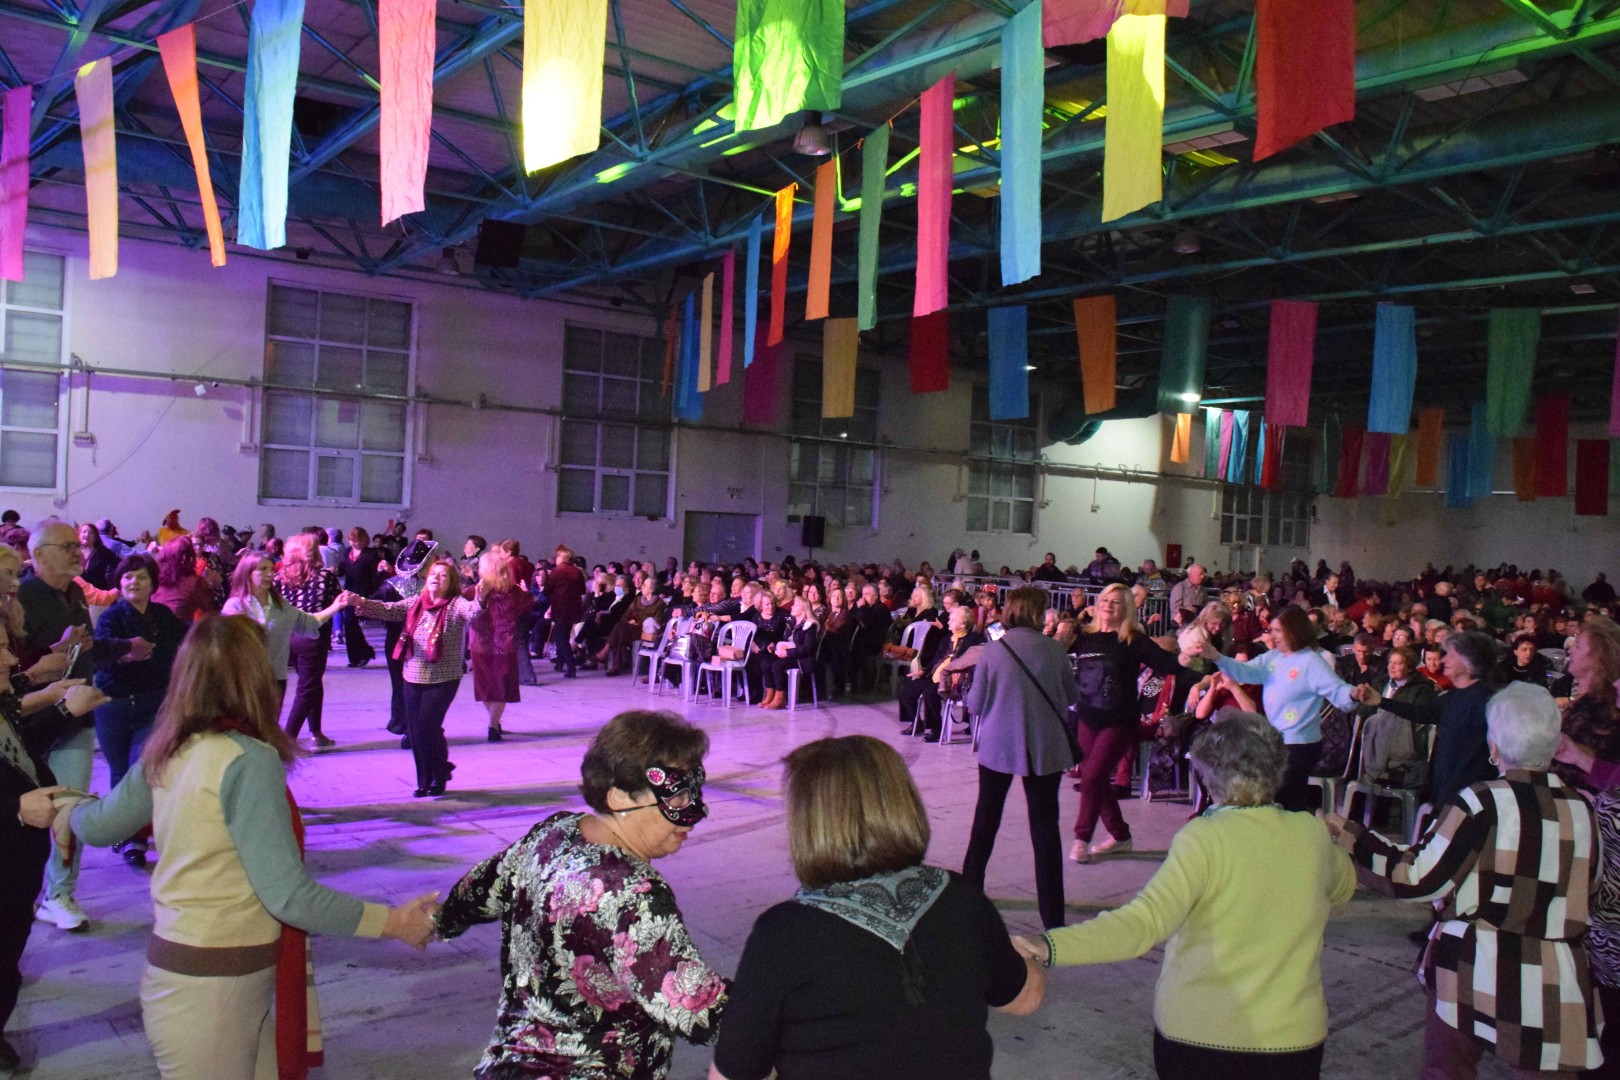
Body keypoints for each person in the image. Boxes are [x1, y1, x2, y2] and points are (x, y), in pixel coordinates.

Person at [64, 615, 436, 1080]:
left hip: (193, 972)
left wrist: (62, 805)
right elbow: (289, 897)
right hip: (217, 983)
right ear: (255, 678)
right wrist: (394, 922)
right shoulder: (247, 760)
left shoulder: (167, 750)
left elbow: (97, 826)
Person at [1016, 713, 1354, 1080]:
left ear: (1209, 776)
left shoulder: (1204, 838)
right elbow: (1342, 890)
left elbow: (1142, 924)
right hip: (1292, 1041)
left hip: (1201, 1038)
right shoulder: (1310, 833)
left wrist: (1049, 945)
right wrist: (1334, 843)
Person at [712, 736, 1043, 1080]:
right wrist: (1025, 953)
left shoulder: (783, 934)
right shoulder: (962, 898)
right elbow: (1026, 998)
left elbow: (733, 1073)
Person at [1326, 683, 1601, 1078]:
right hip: (1552, 977)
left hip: (1476, 966)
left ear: (1494, 746)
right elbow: (1590, 888)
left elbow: (1418, 878)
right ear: (1556, 743)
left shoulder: (1480, 802)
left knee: (1448, 1070)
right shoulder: (1582, 809)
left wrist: (1353, 836)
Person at [432, 710, 726, 1078]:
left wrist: (436, 921)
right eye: (678, 798)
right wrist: (782, 1001)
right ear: (620, 799)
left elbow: (478, 890)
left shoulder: (553, 834)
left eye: (695, 793)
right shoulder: (634, 894)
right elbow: (697, 1009)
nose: (696, 813)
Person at [19, 521, 146, 932]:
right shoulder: (21, 596)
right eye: (67, 546)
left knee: (69, 807)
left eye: (78, 545)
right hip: (28, 721)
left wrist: (124, 648)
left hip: (73, 720)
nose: (78, 552)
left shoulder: (75, 591)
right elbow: (18, 659)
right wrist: (50, 652)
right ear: (38, 554)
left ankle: (59, 893)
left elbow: (85, 648)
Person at [0, 608, 104, 1070]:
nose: (11, 659)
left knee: (8, 955)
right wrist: (14, 809)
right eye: (0, 650)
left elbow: (19, 751)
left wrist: (64, 710)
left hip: (18, 863)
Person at [960, 587, 1079, 930]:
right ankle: (1053, 917)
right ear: (1038, 614)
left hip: (998, 746)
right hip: (1045, 747)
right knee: (1045, 831)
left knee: (985, 822)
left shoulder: (993, 650)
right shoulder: (1054, 650)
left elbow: (975, 704)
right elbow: (1071, 697)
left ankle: (968, 897)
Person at [1069, 583, 1197, 862]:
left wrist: (1189, 656)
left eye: (1116, 602)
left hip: (1119, 719)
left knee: (1092, 776)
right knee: (1095, 778)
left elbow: (1167, 663)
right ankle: (1120, 836)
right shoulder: (1085, 636)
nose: (1108, 605)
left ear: (1126, 608)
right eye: (1105, 600)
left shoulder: (1133, 640)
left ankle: (1081, 838)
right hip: (1087, 716)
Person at [1199, 606, 1359, 812]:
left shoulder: (1311, 661)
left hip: (1300, 745)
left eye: (1277, 631)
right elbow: (1244, 671)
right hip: (1277, 742)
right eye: (1271, 630)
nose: (1273, 636)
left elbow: (1337, 690)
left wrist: (1354, 694)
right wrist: (1217, 657)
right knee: (1279, 802)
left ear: (1294, 631)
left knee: (1287, 802)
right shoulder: (1272, 658)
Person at [348, 559, 483, 797]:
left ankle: (439, 772)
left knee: (427, 725)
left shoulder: (456, 604)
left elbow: (473, 612)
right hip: (412, 675)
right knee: (415, 730)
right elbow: (389, 610)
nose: (437, 578)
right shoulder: (416, 602)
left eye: (443, 575)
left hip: (443, 678)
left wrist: (481, 596)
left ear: (451, 582)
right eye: (433, 574)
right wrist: (361, 602)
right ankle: (427, 779)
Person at [91, 552, 188, 867]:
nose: (134, 582)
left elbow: (186, 645)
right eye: (128, 576)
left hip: (154, 704)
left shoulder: (163, 616)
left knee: (141, 769)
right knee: (120, 770)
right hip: (114, 705)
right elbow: (100, 658)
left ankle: (138, 835)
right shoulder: (111, 617)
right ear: (120, 583)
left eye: (142, 577)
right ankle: (123, 831)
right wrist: (124, 655)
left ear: (153, 583)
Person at [1355, 632, 1501, 818]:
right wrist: (1382, 702)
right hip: (1448, 786)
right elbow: (1423, 712)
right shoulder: (1454, 696)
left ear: (1469, 661)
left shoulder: (1487, 700)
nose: (1444, 660)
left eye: (1451, 655)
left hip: (1469, 794)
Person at [221, 551, 344, 704]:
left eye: (272, 569)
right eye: (263, 569)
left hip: (276, 680)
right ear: (248, 573)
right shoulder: (235, 606)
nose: (270, 574)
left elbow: (310, 623)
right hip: (244, 680)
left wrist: (336, 606)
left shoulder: (281, 606)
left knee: (271, 720)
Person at [275, 534, 342, 749]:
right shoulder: (324, 577)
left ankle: (316, 732)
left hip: (288, 637)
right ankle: (289, 740)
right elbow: (335, 603)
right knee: (307, 688)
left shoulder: (280, 578)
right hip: (313, 637)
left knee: (313, 684)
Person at [465, 550, 534, 742]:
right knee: (501, 687)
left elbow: (460, 604)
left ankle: (493, 722)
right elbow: (529, 603)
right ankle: (493, 724)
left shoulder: (474, 591)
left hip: (480, 644)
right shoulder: (515, 592)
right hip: (505, 644)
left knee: (486, 687)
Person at [373, 538, 436, 739]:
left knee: (398, 682)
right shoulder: (431, 587)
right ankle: (413, 725)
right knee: (417, 684)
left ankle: (399, 721)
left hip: (395, 641)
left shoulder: (389, 585)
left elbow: (373, 607)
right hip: (421, 641)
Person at [1552, 616, 1620, 790]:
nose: (1570, 649)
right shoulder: (1583, 699)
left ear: (1598, 656)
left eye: (1578, 646)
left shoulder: (1603, 708)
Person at [1356, 646, 1438, 788]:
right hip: (1374, 737)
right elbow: (1365, 710)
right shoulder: (1380, 683)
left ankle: (1376, 773)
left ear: (1410, 667)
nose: (1392, 667)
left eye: (1398, 663)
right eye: (1390, 662)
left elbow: (1417, 717)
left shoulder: (1422, 689)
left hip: (1404, 740)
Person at [758, 595, 820, 710]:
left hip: (802, 659)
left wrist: (788, 652)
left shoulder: (809, 626)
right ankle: (770, 694)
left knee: (777, 665)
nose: (792, 607)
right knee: (766, 663)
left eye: (796, 605)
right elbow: (786, 640)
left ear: (803, 609)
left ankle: (780, 697)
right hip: (791, 654)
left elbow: (807, 648)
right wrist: (776, 646)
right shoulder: (792, 624)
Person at [599, 575, 667, 677]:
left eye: (645, 585)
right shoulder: (637, 600)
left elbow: (656, 622)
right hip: (631, 628)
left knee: (620, 628)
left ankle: (608, 655)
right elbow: (625, 615)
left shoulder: (660, 604)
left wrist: (637, 621)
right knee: (621, 631)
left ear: (652, 589)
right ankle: (616, 663)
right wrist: (631, 621)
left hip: (645, 631)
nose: (642, 586)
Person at [337, 527, 385, 667]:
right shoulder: (347, 552)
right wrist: (334, 571)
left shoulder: (371, 554)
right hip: (349, 591)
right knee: (349, 624)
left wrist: (374, 593)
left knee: (350, 622)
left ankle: (362, 653)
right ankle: (358, 656)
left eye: (357, 540)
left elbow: (376, 576)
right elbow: (342, 570)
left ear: (364, 540)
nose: (354, 543)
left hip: (364, 592)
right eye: (352, 540)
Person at [546, 545, 587, 679]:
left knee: (562, 638)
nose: (556, 558)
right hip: (573, 608)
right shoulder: (577, 572)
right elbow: (582, 590)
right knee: (562, 635)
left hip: (560, 608)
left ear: (562, 557)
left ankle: (570, 666)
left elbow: (547, 590)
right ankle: (559, 663)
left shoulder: (557, 571)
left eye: (557, 556)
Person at [152, 536, 213, 623]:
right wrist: (210, 584)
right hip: (178, 628)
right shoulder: (194, 582)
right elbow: (210, 609)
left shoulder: (153, 578)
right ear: (185, 558)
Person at [77, 522, 120, 591]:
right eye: (84, 532)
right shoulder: (74, 551)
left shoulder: (102, 551)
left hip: (98, 591)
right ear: (79, 535)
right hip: (77, 591)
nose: (87, 534)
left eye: (91, 533)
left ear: (95, 537)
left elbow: (120, 565)